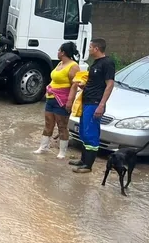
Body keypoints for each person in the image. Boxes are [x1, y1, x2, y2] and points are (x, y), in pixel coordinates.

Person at [69, 38, 115, 173]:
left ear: (96, 49)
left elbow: (110, 84)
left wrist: (101, 105)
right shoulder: (95, 63)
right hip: (87, 101)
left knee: (91, 133)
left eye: (90, 47)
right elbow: (96, 83)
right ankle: (83, 160)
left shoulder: (107, 63)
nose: (88, 49)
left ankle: (88, 166)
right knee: (83, 132)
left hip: (95, 103)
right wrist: (84, 86)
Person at [34, 42, 79, 159]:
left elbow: (74, 85)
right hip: (51, 98)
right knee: (48, 123)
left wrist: (70, 100)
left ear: (63, 52)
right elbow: (54, 79)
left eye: (59, 50)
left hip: (62, 100)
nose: (57, 52)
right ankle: (43, 147)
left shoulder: (73, 66)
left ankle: (62, 151)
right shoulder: (60, 64)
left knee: (62, 125)